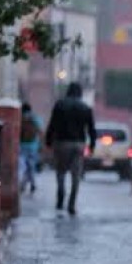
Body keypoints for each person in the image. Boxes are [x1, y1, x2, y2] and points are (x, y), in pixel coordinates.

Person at [45, 82, 96, 215]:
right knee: (76, 175)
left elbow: (52, 124)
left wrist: (48, 141)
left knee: (60, 172)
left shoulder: (59, 105)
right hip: (78, 144)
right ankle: (72, 204)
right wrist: (92, 145)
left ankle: (60, 195)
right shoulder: (85, 108)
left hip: (61, 142)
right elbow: (91, 129)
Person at [19, 102, 43, 194]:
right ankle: (31, 183)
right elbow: (40, 131)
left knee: (24, 166)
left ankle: (24, 184)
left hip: (22, 145)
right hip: (33, 146)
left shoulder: (20, 117)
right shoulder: (35, 118)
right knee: (31, 166)